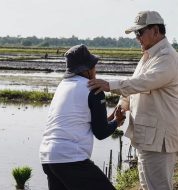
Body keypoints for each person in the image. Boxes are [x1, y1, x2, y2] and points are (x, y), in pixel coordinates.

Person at [88, 11, 178, 190]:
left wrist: (110, 85)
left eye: (139, 32)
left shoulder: (167, 58)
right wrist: (121, 107)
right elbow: (135, 90)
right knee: (147, 186)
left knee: (158, 187)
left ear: (155, 31)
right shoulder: (148, 57)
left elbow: (143, 82)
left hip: (159, 139)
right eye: (135, 33)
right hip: (147, 136)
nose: (137, 37)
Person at [39, 44, 125, 190]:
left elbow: (79, 121)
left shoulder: (63, 86)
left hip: (48, 157)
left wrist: (110, 118)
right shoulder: (93, 88)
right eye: (94, 66)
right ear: (87, 70)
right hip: (71, 159)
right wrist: (117, 122)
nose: (95, 70)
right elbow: (101, 132)